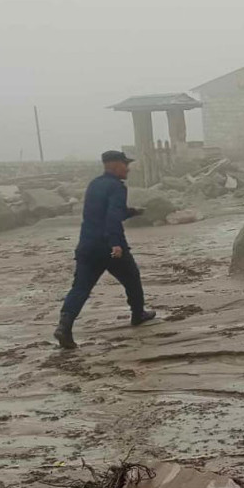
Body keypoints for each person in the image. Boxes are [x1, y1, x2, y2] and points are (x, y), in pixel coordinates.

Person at [53, 150, 156, 349]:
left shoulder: (94, 184)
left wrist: (131, 212)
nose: (128, 168)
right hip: (109, 247)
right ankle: (138, 314)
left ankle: (64, 326)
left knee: (80, 287)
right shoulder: (117, 187)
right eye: (125, 164)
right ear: (115, 165)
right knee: (132, 277)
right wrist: (116, 243)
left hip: (87, 245)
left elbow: (100, 213)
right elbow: (112, 216)